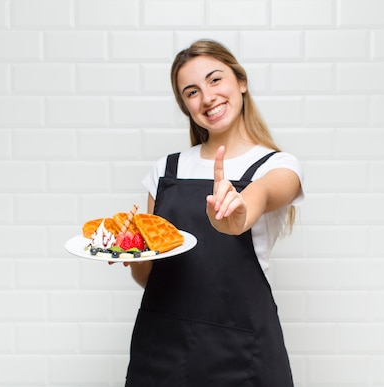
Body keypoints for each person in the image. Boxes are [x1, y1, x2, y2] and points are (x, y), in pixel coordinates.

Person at [125, 39, 304, 387]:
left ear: (241, 81)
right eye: (191, 91)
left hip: (241, 352)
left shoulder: (277, 165)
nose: (207, 97)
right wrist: (133, 252)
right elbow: (151, 278)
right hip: (162, 348)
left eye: (215, 80)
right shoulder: (166, 170)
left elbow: (264, 192)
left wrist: (240, 210)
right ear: (185, 106)